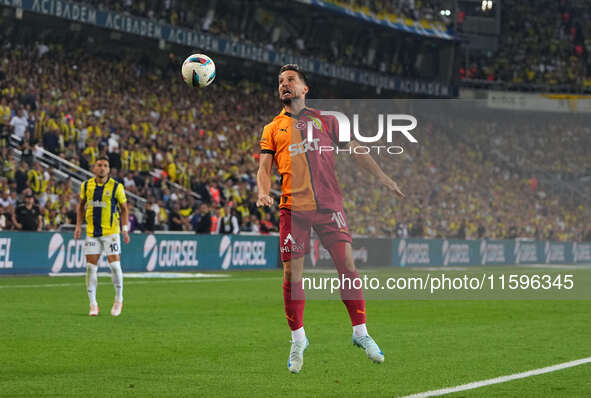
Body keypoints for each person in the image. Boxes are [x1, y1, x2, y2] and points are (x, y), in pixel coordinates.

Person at [256, 64, 404, 373]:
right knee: (292, 277)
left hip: (329, 206)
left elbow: (355, 150)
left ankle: (360, 333)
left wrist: (381, 176)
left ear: (304, 88)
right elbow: (264, 168)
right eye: (281, 81)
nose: (285, 85)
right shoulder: (272, 128)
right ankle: (298, 340)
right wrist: (263, 191)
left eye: (291, 80)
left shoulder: (327, 121)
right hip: (293, 209)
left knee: (348, 267)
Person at [74, 156, 130, 317]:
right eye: (99, 165)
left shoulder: (116, 187)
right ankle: (93, 304)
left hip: (111, 233)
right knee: (91, 268)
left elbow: (124, 209)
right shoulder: (86, 186)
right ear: (94, 168)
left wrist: (124, 229)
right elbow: (81, 207)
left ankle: (119, 299)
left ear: (109, 169)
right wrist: (78, 226)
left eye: (105, 165)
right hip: (92, 233)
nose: (102, 168)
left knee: (114, 266)